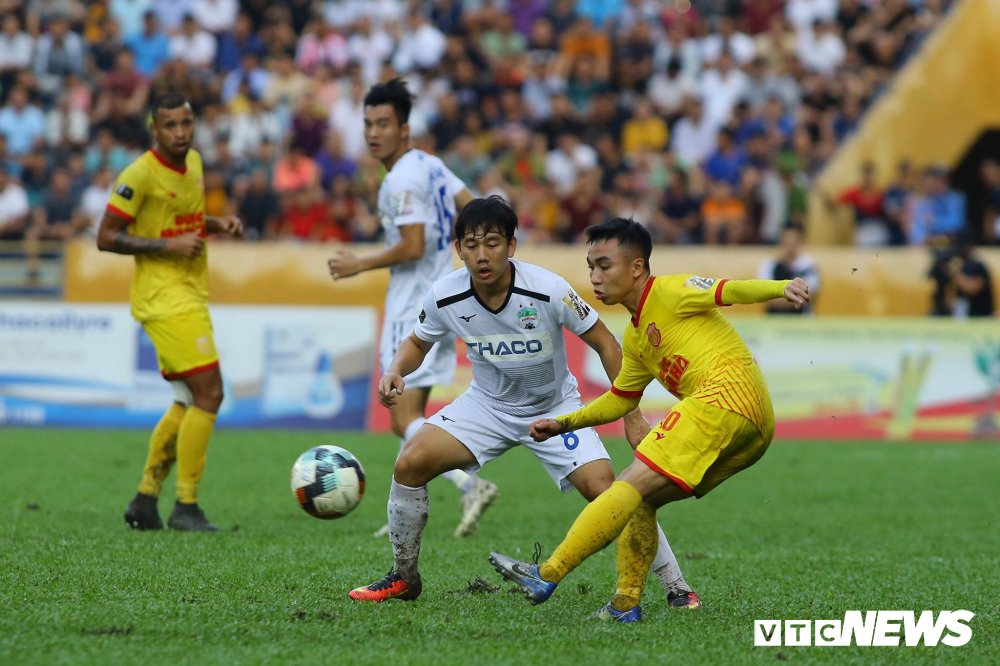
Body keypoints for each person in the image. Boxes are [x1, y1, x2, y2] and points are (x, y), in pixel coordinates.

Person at [349, 197, 698, 610]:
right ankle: (404, 577)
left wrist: (632, 414)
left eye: (492, 243)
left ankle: (677, 585)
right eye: (472, 245)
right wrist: (395, 370)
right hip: (486, 407)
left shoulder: (549, 289)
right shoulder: (444, 295)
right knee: (410, 463)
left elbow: (606, 343)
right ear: (458, 249)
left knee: (609, 491)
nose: (482, 255)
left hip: (555, 408)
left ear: (511, 246)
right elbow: (417, 341)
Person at [490, 217, 809, 622]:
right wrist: (565, 423)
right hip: (755, 426)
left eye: (605, 265)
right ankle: (625, 604)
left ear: (637, 267)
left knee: (626, 484)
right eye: (591, 267)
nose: (595, 277)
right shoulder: (637, 338)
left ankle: (547, 573)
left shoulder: (670, 291)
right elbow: (621, 399)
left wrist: (781, 288)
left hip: (723, 397)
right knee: (642, 498)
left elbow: (728, 290)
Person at [327, 78, 499, 538]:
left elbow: (413, 244)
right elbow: (475, 207)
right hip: (441, 298)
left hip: (411, 308)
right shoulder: (431, 164)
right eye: (368, 124)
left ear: (404, 129)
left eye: (383, 124)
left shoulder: (402, 178)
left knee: (402, 418)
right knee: (411, 417)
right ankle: (403, 507)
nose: (373, 133)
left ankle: (470, 485)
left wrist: (359, 262)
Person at [97, 92, 244, 532]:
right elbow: (106, 236)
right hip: (163, 298)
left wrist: (218, 224)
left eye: (186, 123)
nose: (181, 133)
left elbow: (186, 221)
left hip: (191, 292)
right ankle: (186, 505)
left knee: (187, 399)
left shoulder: (194, 163)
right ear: (154, 129)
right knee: (210, 393)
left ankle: (145, 500)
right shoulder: (139, 174)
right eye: (170, 125)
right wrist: (168, 246)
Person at [928, 230, 995, 318]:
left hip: (980, 317)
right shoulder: (959, 266)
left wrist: (953, 273)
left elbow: (972, 288)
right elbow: (950, 301)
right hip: (962, 317)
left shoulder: (978, 267)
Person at [758, 225, 820, 314]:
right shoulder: (770, 265)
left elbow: (810, 296)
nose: (789, 248)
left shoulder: (808, 265)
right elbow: (764, 297)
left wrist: (778, 298)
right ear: (780, 243)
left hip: (801, 317)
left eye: (793, 244)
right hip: (774, 317)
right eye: (786, 243)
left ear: (800, 244)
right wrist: (794, 298)